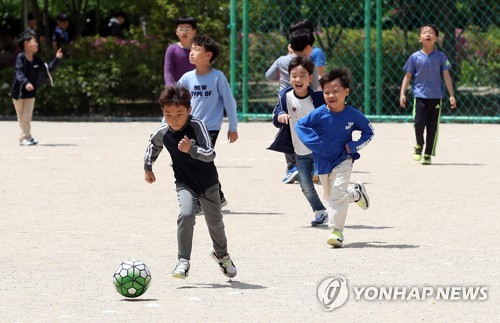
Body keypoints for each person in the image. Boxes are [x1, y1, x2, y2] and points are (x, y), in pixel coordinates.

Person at [144, 85, 237, 279]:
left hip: (208, 183)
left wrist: (191, 150)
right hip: (184, 183)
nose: (174, 119)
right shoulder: (163, 132)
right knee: (186, 215)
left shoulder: (197, 126)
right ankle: (183, 261)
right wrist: (148, 167)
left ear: (189, 110)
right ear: (163, 112)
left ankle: (222, 255)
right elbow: (153, 146)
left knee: (215, 223)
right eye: (168, 115)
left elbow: (210, 153)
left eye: (179, 113)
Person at [296, 67, 374, 248]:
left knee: (337, 195)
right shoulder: (319, 113)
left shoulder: (353, 115)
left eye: (335, 91)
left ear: (346, 92)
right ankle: (356, 194)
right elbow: (300, 125)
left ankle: (336, 231)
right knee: (332, 197)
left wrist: (354, 145)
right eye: (326, 92)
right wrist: (314, 143)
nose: (331, 95)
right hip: (323, 162)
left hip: (343, 159)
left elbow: (369, 132)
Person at [177, 35, 238, 206]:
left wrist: (232, 127)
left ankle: (198, 202)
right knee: (200, 162)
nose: (192, 53)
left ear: (208, 55)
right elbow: (175, 101)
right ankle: (218, 196)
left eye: (196, 49)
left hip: (209, 128)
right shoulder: (187, 77)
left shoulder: (218, 77)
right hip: (191, 127)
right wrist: (164, 124)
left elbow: (230, 103)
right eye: (191, 49)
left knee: (199, 161)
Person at [268, 56, 328, 226]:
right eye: (294, 75)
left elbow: (330, 118)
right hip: (299, 150)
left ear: (310, 78)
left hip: (319, 150)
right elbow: (275, 115)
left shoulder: (318, 98)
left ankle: (350, 196)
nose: (298, 79)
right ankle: (320, 211)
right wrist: (280, 116)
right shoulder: (285, 96)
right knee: (306, 187)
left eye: (302, 75)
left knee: (328, 183)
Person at [266, 28, 320, 184]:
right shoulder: (309, 64)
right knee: (308, 132)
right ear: (308, 47)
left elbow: (268, 76)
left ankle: (292, 168)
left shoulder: (281, 60)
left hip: (284, 102)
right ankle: (313, 167)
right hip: (305, 100)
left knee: (287, 132)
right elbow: (315, 85)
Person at [400, 24, 457, 165]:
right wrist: (402, 93)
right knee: (419, 123)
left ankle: (428, 153)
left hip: (436, 97)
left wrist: (451, 95)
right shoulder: (414, 57)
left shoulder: (441, 57)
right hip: (420, 96)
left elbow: (447, 76)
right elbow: (408, 76)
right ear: (420, 38)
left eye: (431, 33)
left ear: (436, 38)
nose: (428, 34)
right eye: (424, 32)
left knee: (433, 127)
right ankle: (419, 144)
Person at [9, 31, 63, 146]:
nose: (37, 44)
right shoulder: (21, 58)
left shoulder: (37, 60)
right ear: (26, 44)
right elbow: (19, 72)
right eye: (34, 41)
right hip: (18, 93)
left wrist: (57, 59)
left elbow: (47, 69)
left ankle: (25, 138)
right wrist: (26, 82)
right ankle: (26, 137)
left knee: (26, 116)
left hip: (31, 93)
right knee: (22, 117)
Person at [164, 16, 197, 86]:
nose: (184, 32)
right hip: (178, 90)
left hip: (198, 89)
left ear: (194, 31)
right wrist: (171, 89)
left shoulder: (199, 49)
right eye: (181, 29)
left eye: (187, 29)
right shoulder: (172, 50)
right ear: (176, 32)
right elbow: (168, 72)